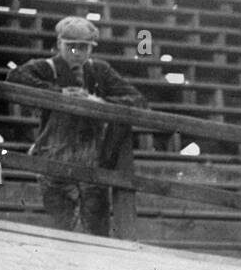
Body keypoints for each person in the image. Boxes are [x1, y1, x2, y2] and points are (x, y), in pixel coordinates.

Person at [7, 16, 145, 236]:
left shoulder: (99, 71)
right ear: (59, 44)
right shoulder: (47, 68)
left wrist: (100, 103)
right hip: (54, 162)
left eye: (83, 48)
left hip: (94, 164)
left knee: (97, 232)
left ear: (91, 48)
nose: (77, 53)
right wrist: (57, 93)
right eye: (70, 47)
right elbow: (14, 78)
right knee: (60, 231)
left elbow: (137, 100)